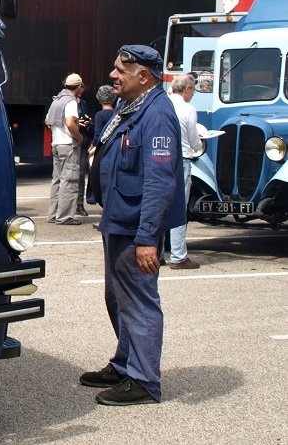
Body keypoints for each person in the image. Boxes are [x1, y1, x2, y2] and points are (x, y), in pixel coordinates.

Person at [80, 45, 185, 406]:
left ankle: (144, 380)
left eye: (120, 71)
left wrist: (146, 240)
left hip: (135, 228)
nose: (113, 76)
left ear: (144, 76)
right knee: (118, 298)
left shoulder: (157, 114)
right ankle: (125, 364)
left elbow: (160, 181)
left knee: (139, 302)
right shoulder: (131, 107)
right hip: (118, 221)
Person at [167, 74, 202, 270]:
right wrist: (199, 140)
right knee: (179, 207)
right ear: (187, 89)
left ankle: (157, 252)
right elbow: (193, 139)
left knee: (159, 205)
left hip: (160, 159)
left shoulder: (163, 104)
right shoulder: (188, 109)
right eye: (193, 90)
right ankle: (178, 255)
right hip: (182, 158)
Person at [45, 73, 85, 225]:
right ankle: (65, 216)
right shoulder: (71, 101)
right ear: (79, 86)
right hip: (68, 144)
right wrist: (79, 137)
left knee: (57, 180)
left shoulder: (57, 100)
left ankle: (53, 214)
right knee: (70, 180)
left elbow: (47, 120)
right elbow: (70, 123)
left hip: (56, 143)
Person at [87, 84, 118, 213]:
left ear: (99, 99)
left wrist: (92, 146)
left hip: (102, 148)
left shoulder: (100, 115)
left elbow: (98, 133)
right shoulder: (116, 113)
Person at [75, 86, 92, 217]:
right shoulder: (66, 101)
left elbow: (85, 116)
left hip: (82, 140)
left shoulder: (83, 103)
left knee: (81, 173)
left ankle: (79, 204)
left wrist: (87, 122)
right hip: (72, 139)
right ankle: (65, 205)